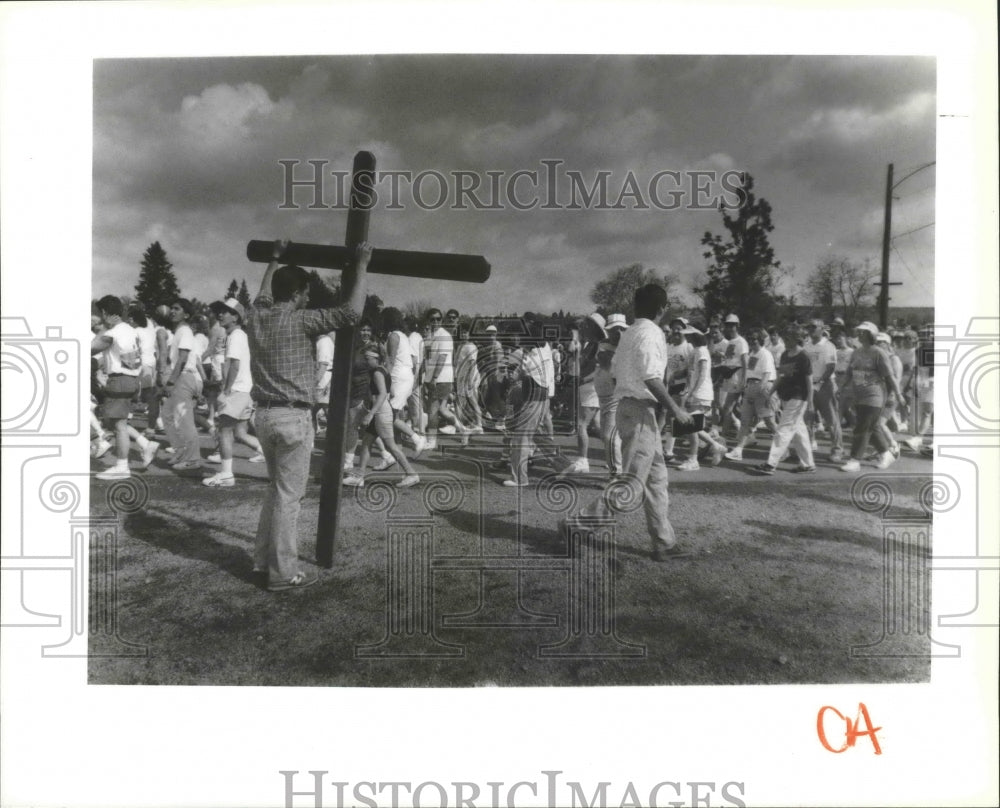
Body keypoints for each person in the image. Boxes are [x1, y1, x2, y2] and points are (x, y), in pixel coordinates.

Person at [244, 239, 370, 591]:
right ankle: (283, 574)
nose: (308, 298)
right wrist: (361, 265)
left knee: (275, 491)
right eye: (305, 293)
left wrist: (273, 260)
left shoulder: (257, 316)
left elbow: (263, 294)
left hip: (264, 415)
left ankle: (261, 561)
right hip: (293, 417)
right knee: (288, 497)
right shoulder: (303, 320)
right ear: (298, 292)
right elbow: (350, 314)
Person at [560, 284, 692, 564]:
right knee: (632, 483)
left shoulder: (630, 332)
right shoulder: (651, 332)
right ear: (661, 308)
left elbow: (618, 373)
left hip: (630, 407)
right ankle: (577, 525)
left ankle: (663, 541)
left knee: (657, 480)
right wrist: (674, 409)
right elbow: (651, 378)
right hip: (640, 409)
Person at [90, 296, 156, 478]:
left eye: (101, 314)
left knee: (117, 425)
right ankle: (142, 446)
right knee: (119, 423)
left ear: (105, 312)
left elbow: (90, 348)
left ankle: (122, 466)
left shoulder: (112, 333)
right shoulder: (129, 329)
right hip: (132, 379)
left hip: (119, 379)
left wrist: (100, 331)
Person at [343, 342, 420, 489]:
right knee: (366, 442)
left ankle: (411, 474)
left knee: (390, 446)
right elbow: (391, 392)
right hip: (382, 410)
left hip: (381, 413)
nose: (366, 361)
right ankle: (359, 476)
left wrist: (371, 413)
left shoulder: (377, 372)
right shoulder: (383, 370)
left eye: (368, 358)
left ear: (376, 358)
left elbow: (383, 393)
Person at [839, 322, 903, 473]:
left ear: (871, 334)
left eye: (863, 332)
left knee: (862, 427)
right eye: (859, 332)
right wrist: (841, 387)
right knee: (871, 427)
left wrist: (898, 394)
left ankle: (855, 459)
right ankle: (886, 454)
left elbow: (890, 376)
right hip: (858, 394)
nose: (860, 334)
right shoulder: (856, 352)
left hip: (874, 395)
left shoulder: (878, 353)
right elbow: (849, 372)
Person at [751, 324, 815, 475]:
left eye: (788, 338)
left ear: (796, 339)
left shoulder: (804, 356)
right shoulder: (786, 355)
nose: (784, 340)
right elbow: (781, 376)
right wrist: (770, 392)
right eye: (784, 338)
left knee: (783, 430)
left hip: (799, 398)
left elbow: (809, 381)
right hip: (786, 396)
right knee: (799, 432)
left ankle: (771, 463)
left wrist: (810, 402)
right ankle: (808, 464)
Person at [161, 298, 204, 470]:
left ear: (186, 314)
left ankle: (193, 460)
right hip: (181, 377)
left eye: (177, 308)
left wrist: (171, 381)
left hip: (185, 377)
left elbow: (183, 358)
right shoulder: (179, 331)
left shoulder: (185, 330)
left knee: (183, 420)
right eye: (171, 307)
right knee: (167, 415)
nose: (172, 311)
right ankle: (180, 451)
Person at [677, 325, 727, 470]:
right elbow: (691, 374)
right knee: (687, 426)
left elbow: (703, 374)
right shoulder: (695, 351)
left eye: (689, 334)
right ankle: (716, 445)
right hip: (696, 392)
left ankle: (694, 459)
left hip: (701, 393)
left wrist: (692, 392)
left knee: (689, 425)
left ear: (696, 335)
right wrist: (687, 390)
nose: (686, 336)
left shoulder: (702, 351)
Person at [725, 328, 778, 461]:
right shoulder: (751, 354)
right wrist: (747, 390)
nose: (752, 342)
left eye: (754, 339)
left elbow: (766, 375)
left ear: (760, 340)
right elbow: (750, 373)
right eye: (750, 340)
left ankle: (783, 448)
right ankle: (738, 450)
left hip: (763, 388)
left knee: (769, 421)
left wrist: (762, 394)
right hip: (750, 387)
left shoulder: (765, 354)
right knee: (745, 421)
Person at [564, 313, 606, 475]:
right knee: (598, 426)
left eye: (587, 325)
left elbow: (600, 370)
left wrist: (582, 380)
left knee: (581, 424)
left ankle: (583, 460)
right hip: (587, 386)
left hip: (591, 387)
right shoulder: (589, 344)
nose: (584, 327)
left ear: (594, 327)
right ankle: (614, 456)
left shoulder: (598, 346)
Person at [804, 318, 844, 461]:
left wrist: (819, 380)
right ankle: (808, 446)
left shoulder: (828, 346)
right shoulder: (806, 346)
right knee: (807, 419)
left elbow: (831, 367)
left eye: (814, 327)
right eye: (809, 327)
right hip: (809, 387)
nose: (811, 329)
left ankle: (837, 449)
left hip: (825, 386)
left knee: (831, 420)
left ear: (822, 329)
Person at [593, 314, 627, 477]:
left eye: (621, 329)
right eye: (615, 329)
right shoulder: (603, 345)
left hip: (616, 396)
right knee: (606, 435)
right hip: (603, 396)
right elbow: (602, 359)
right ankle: (615, 467)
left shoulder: (627, 347)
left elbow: (609, 364)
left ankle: (617, 474)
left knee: (610, 436)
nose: (618, 332)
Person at [423, 307, 461, 450]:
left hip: (441, 378)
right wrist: (426, 378)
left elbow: (442, 358)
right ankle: (463, 430)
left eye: (438, 319)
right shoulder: (431, 335)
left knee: (433, 410)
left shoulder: (444, 336)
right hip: (433, 378)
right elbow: (428, 359)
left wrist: (434, 378)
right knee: (442, 410)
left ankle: (431, 441)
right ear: (429, 320)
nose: (436, 321)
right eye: (432, 319)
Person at [717, 313, 748, 436]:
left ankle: (723, 436)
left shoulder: (741, 341)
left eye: (732, 325)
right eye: (728, 325)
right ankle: (748, 434)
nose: (730, 328)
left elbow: (744, 360)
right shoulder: (730, 342)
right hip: (728, 376)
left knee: (727, 408)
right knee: (734, 408)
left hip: (737, 377)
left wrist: (744, 379)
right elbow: (728, 360)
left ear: (737, 326)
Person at [454, 323, 484, 442]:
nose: (464, 335)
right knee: (463, 402)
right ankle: (464, 426)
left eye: (466, 333)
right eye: (462, 333)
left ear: (470, 334)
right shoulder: (461, 346)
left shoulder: (471, 347)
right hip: (461, 377)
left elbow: (472, 364)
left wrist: (469, 380)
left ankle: (478, 424)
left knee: (471, 401)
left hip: (469, 378)